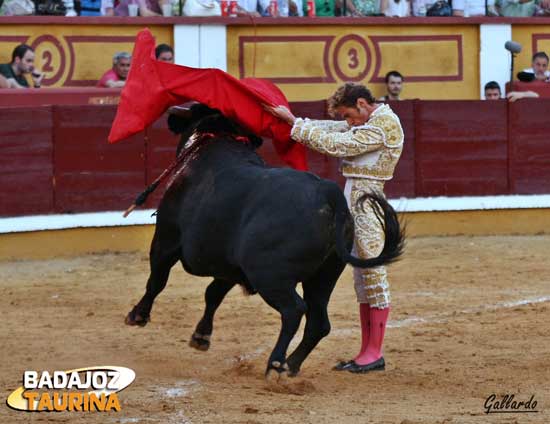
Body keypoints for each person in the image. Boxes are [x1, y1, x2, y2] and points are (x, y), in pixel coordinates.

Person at [264, 82, 404, 373]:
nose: (348, 121)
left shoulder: (385, 125)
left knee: (373, 273)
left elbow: (339, 144)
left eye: (349, 115)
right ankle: (367, 352)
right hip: (355, 199)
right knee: (361, 278)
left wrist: (296, 126)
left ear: (363, 104)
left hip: (367, 203)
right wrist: (294, 120)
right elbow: (335, 130)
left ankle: (374, 353)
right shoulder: (371, 120)